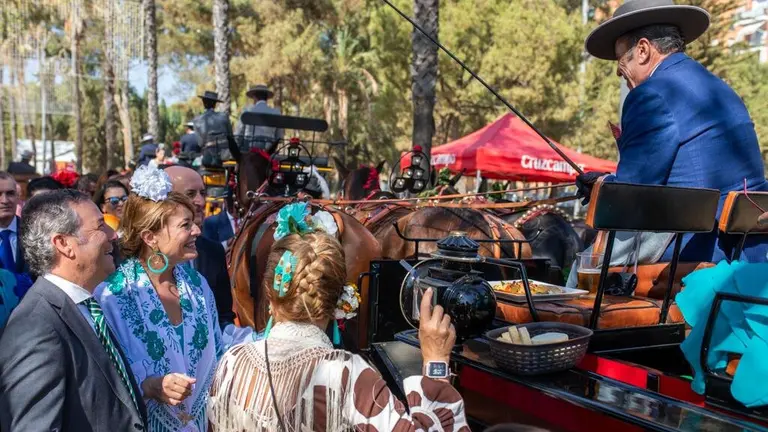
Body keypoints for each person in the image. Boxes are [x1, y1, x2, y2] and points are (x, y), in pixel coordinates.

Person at [208, 215, 468, 431]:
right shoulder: (348, 375)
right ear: (339, 303)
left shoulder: (232, 363)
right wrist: (436, 362)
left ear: (269, 295)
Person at [576, 0, 768, 265]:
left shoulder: (651, 94)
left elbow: (630, 195)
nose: (620, 75)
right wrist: (606, 183)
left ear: (643, 50)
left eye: (621, 63)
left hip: (698, 249)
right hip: (750, 250)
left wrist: (602, 187)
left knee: (582, 267)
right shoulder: (720, 88)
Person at [0, 190, 147, 431]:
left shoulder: (86, 305)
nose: (113, 234)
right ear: (64, 244)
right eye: (100, 226)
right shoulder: (36, 325)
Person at [95, 165, 223, 431]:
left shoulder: (197, 286)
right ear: (150, 237)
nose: (197, 231)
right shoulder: (112, 297)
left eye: (193, 222)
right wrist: (149, 385)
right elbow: (102, 377)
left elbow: (217, 351)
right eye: (185, 225)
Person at [165, 165, 235, 328]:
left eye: (203, 193)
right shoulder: (135, 261)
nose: (201, 202)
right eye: (190, 194)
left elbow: (224, 316)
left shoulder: (213, 251)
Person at [233, 84, 284, 153]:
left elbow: (239, 133)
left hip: (249, 149)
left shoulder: (247, 111)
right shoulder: (276, 113)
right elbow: (279, 137)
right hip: (268, 151)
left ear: (254, 97)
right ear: (267, 98)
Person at [193, 91, 233, 167]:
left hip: (208, 157)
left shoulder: (197, 120)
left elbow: (200, 143)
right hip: (225, 157)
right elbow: (231, 137)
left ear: (204, 103)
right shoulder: (224, 117)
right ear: (215, 104)